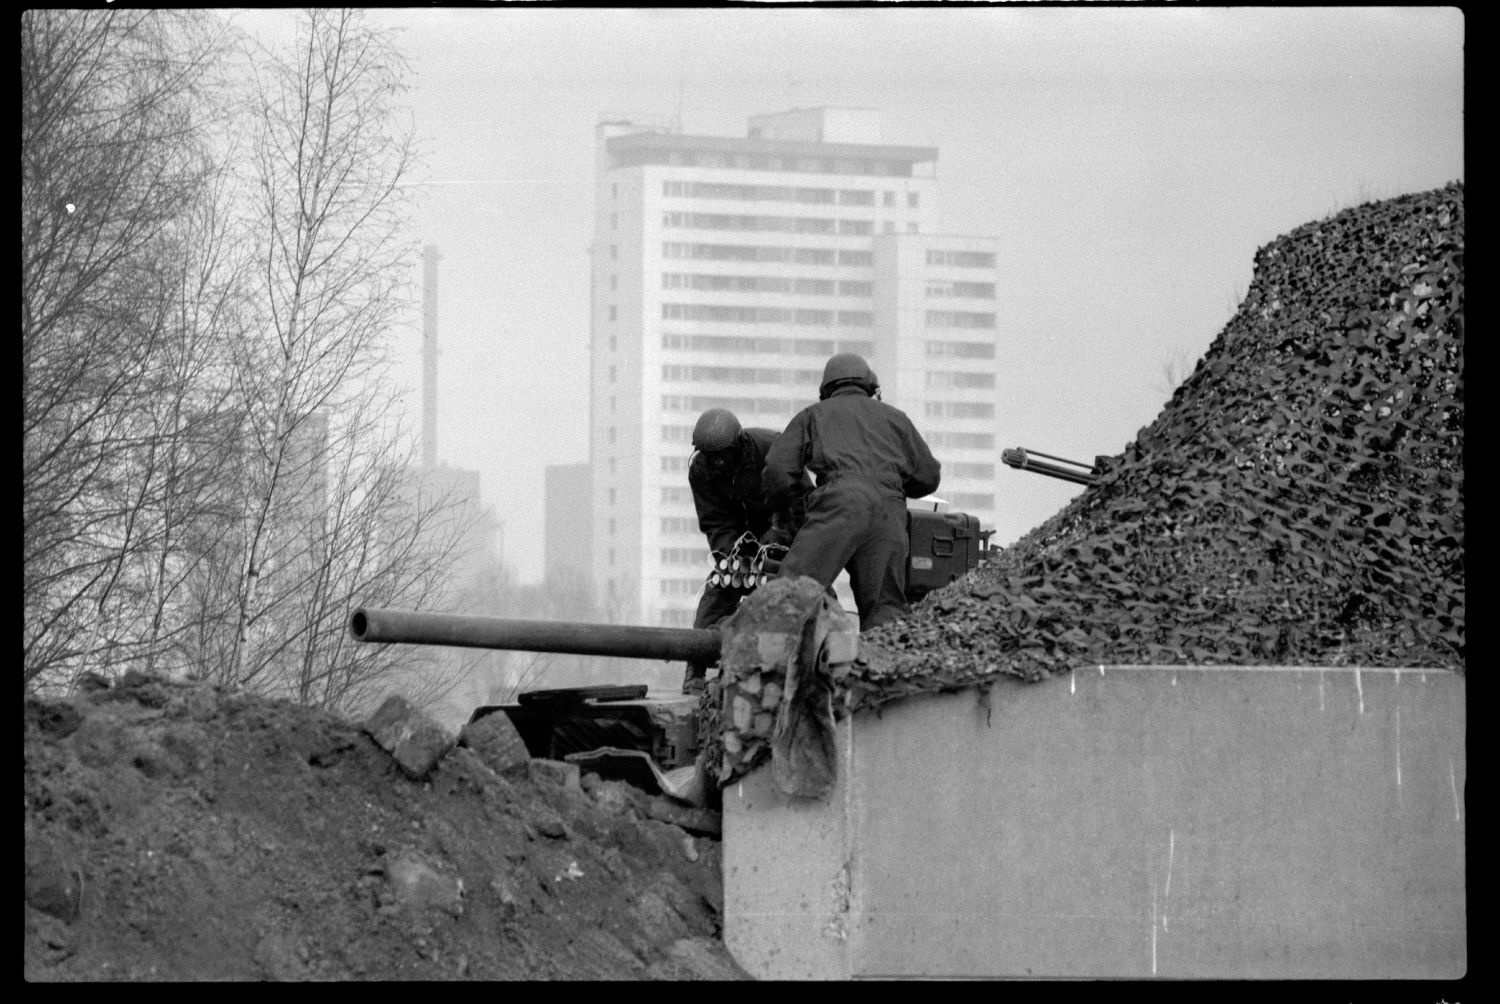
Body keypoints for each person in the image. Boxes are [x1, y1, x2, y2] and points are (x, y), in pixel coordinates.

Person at [761, 352, 941, 631]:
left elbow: (777, 468)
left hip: (838, 506)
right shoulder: (896, 419)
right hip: (889, 515)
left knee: (791, 596)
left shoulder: (812, 416)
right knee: (885, 613)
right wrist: (888, 485)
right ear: (870, 385)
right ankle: (880, 672)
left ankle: (762, 671)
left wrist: (804, 503)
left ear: (826, 389)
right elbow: (928, 478)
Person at [682, 407, 809, 694]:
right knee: (718, 588)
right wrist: (731, 554)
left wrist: (777, 539)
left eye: (721, 456)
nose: (716, 463)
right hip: (741, 540)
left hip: (784, 534)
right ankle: (695, 670)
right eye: (708, 456)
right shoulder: (701, 471)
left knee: (807, 592)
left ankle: (808, 669)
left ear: (737, 445)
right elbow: (715, 520)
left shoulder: (771, 449)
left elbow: (800, 503)